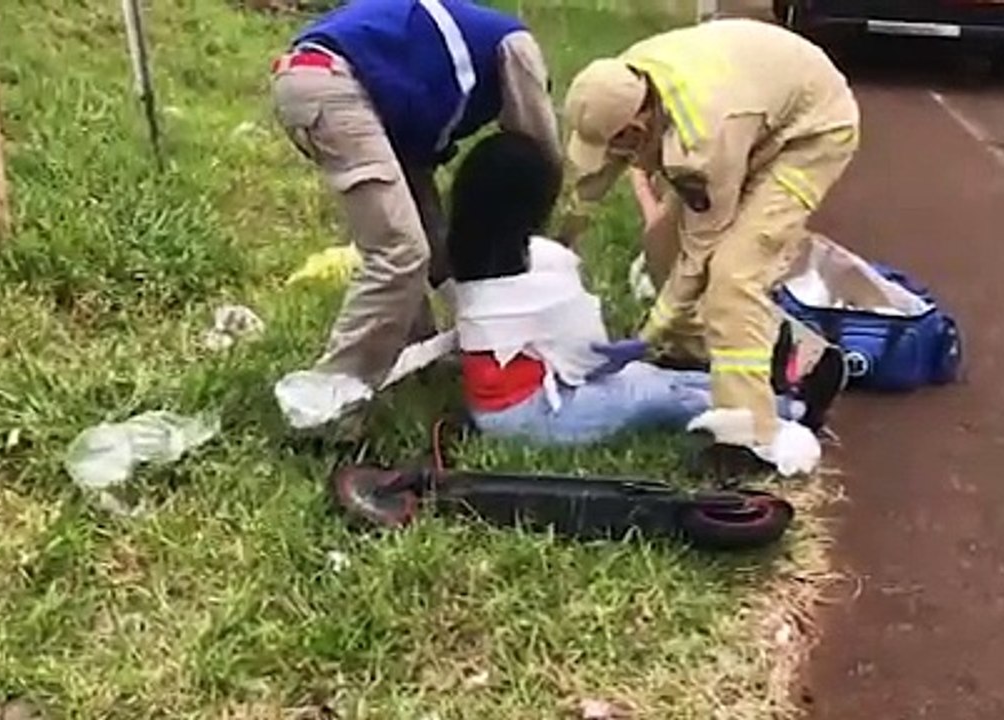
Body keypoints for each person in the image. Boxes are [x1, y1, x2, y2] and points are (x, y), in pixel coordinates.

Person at [556, 17, 857, 465]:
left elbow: (700, 254)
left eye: (620, 146)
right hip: (754, 112)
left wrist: (647, 336)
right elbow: (589, 181)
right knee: (660, 246)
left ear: (638, 129)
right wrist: (560, 248)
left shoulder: (701, 143)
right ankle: (703, 352)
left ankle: (748, 435)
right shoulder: (620, 83)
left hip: (810, 134)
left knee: (732, 277)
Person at [446, 130, 815, 460]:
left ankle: (763, 384)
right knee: (660, 395)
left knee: (652, 377)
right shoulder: (544, 275)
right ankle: (788, 408)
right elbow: (587, 357)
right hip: (537, 415)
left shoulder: (467, 255)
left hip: (506, 406)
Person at [270, 0, 562, 395]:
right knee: (400, 251)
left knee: (418, 230)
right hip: (335, 86)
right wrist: (540, 237)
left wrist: (466, 302)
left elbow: (428, 210)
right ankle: (330, 400)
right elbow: (537, 146)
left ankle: (418, 350)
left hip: (316, 80)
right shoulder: (515, 44)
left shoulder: (435, 62)